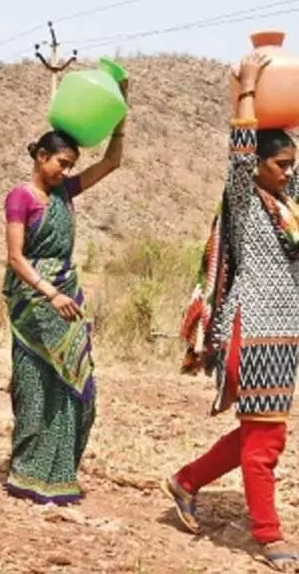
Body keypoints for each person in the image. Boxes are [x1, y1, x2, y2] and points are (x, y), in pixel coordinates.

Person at [165, 52, 299, 572]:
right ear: (260, 167)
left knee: (259, 432)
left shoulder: (288, 206)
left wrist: (285, 110)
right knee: (266, 441)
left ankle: (186, 480)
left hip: (285, 334)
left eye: (293, 164)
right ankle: (269, 536)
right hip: (255, 331)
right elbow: (241, 156)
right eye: (281, 164)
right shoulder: (244, 201)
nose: (289, 172)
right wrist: (247, 88)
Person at [1, 80, 128, 504]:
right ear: (40, 156)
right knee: (35, 382)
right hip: (34, 304)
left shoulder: (66, 193)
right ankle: (28, 472)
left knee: (77, 381)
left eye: (72, 165)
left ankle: (61, 471)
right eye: (61, 163)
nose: (67, 171)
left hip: (67, 300)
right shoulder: (22, 197)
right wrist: (49, 293)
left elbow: (113, 160)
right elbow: (16, 258)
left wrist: (121, 105)